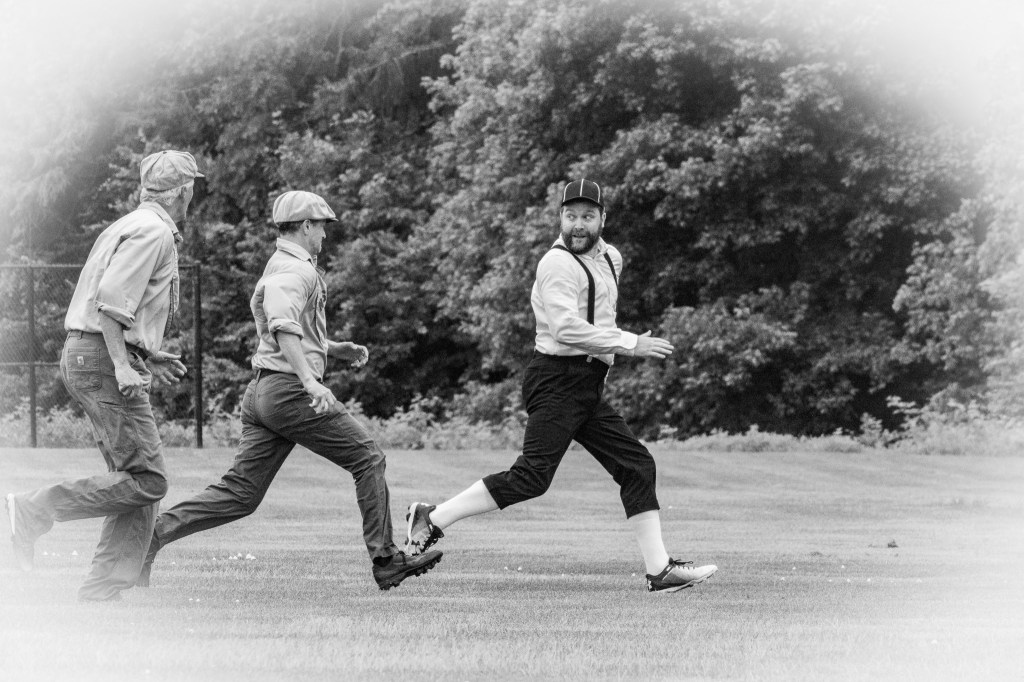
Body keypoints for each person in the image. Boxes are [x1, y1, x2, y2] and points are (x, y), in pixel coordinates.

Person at [405, 179, 717, 593]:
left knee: (636, 465)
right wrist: (631, 344)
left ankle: (659, 571)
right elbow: (567, 328)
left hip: (585, 384)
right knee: (532, 477)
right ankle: (433, 517)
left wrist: (605, 362)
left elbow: (599, 322)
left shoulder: (612, 259)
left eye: (588, 216)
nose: (579, 224)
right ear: (560, 218)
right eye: (571, 216)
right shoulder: (555, 265)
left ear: (603, 219)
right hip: (555, 378)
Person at [137, 190, 441, 591]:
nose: (325, 237)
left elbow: (286, 329)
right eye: (323, 228)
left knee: (241, 495)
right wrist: (311, 380)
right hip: (288, 393)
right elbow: (282, 325)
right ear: (306, 226)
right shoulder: (295, 271)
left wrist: (332, 349)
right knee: (368, 457)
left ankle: (147, 539)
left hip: (264, 392)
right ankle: (386, 559)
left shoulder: (282, 264)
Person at [6, 150, 202, 601]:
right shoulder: (154, 232)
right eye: (193, 188)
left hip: (95, 354)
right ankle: (32, 511)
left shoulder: (127, 224)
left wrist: (144, 354)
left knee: (134, 480)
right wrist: (119, 362)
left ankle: (102, 591)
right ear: (183, 191)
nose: (194, 195)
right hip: (101, 360)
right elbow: (112, 302)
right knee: (149, 479)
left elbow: (110, 301)